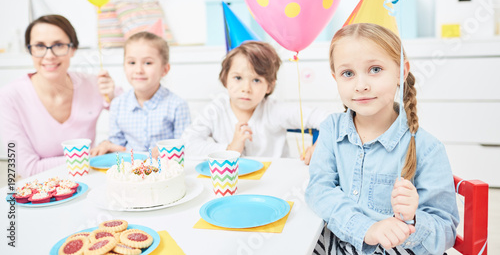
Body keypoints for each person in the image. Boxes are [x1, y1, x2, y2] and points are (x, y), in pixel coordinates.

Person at [305, 23, 459, 254]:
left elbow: (446, 232)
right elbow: (318, 190)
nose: (361, 85)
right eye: (348, 73)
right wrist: (367, 228)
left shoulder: (427, 148)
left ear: (401, 72)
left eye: (375, 69)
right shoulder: (331, 130)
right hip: (337, 244)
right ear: (335, 77)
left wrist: (414, 218)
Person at [0, 15, 116, 177]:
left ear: (73, 49)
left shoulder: (94, 84)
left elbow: (136, 115)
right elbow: (27, 168)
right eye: (40, 46)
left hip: (88, 180)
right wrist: (91, 157)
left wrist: (114, 101)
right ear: (30, 50)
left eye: (59, 45)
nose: (49, 56)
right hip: (38, 189)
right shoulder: (9, 97)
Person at [182, 41, 329, 162]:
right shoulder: (216, 110)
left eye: (256, 80)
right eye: (238, 78)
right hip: (233, 183)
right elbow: (186, 145)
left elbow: (328, 120)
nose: (246, 88)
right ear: (225, 78)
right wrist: (229, 149)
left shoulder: (275, 110)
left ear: (269, 86)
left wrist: (320, 146)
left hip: (274, 181)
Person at [90, 32, 190, 156]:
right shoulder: (117, 104)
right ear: (124, 66)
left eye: (148, 63)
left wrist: (170, 150)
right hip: (130, 171)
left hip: (164, 171)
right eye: (132, 63)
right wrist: (107, 144)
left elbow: (187, 145)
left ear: (165, 69)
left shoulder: (177, 105)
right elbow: (117, 144)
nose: (138, 70)